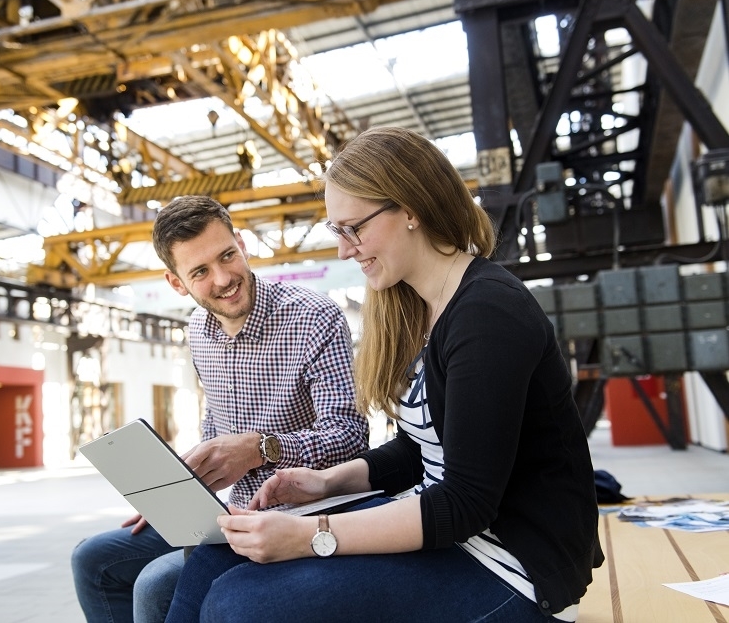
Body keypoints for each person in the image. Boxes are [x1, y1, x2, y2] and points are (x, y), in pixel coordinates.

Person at [164, 127, 605, 623]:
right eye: (338, 231)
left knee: (238, 603)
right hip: (450, 531)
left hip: (512, 563)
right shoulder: (424, 308)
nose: (345, 250)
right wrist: (326, 483)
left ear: (410, 209)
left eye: (354, 228)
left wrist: (312, 535)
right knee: (211, 560)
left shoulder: (486, 314)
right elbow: (420, 449)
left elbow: (466, 502)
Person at [71, 195, 370, 623]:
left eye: (227, 255)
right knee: (92, 560)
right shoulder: (198, 331)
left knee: (154, 586)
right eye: (200, 272)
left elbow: (351, 436)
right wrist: (169, 489)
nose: (224, 278)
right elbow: (215, 424)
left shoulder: (314, 317)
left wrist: (263, 448)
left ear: (242, 244)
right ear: (177, 283)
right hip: (228, 515)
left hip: (302, 515)